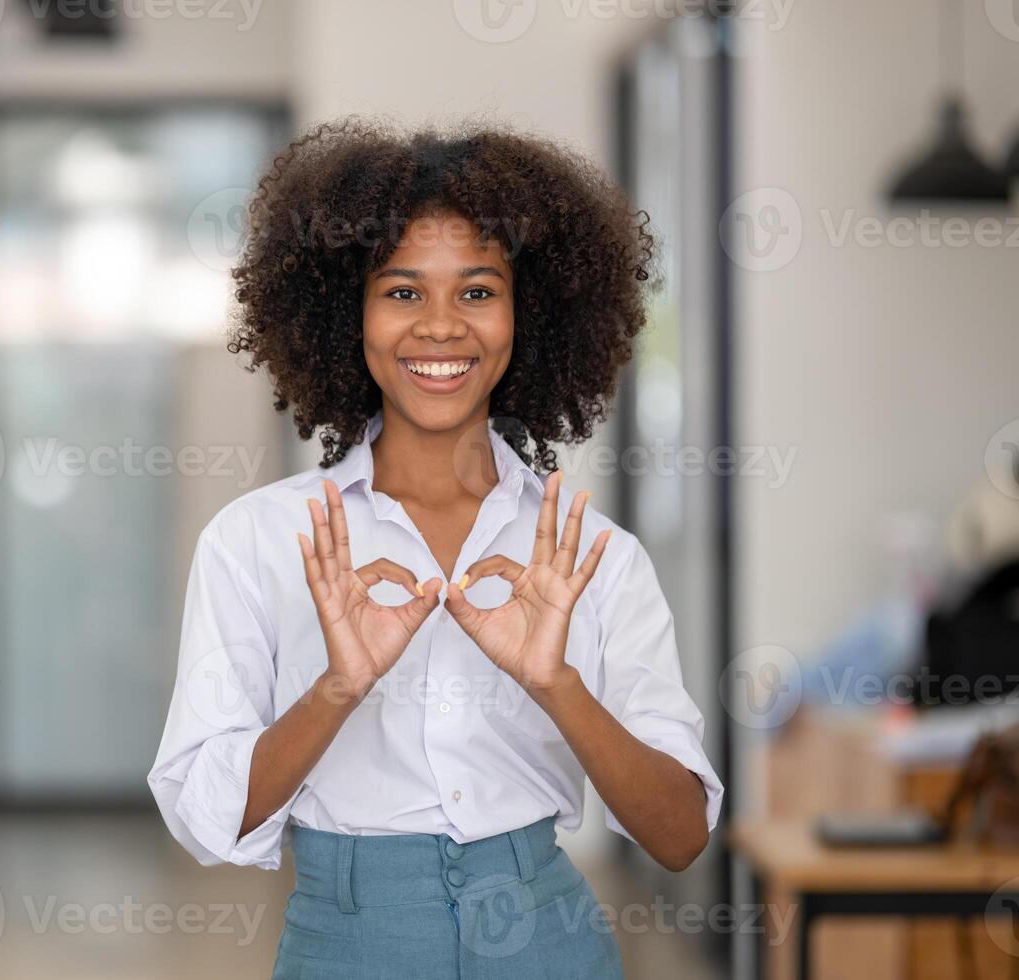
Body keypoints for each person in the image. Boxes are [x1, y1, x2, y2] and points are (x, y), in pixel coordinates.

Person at [148, 119, 723, 978]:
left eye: (480, 292)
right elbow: (205, 817)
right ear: (351, 311)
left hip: (551, 947)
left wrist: (556, 685)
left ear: (529, 313)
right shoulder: (258, 542)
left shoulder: (591, 555)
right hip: (348, 947)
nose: (443, 328)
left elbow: (680, 837)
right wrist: (338, 688)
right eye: (404, 292)